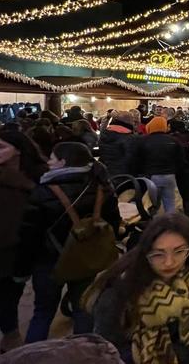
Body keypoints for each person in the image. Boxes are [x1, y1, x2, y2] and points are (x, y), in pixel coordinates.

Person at [84, 213, 189, 364]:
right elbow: (109, 348)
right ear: (146, 252)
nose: (169, 262)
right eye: (158, 254)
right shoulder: (120, 288)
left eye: (179, 251)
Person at [22, 142, 121, 343]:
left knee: (43, 312)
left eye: (52, 158)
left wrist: (22, 267)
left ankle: (32, 354)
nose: (48, 162)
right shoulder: (101, 186)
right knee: (82, 309)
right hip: (86, 257)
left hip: (49, 261)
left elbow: (29, 234)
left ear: (63, 162)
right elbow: (113, 222)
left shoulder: (44, 191)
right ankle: (82, 351)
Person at [0, 131, 47, 358]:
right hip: (0, 247)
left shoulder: (39, 175)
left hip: (28, 246)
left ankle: (10, 335)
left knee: (11, 294)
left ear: (18, 149)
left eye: (0, 147)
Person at [136, 116, 184, 213]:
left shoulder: (143, 140)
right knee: (170, 202)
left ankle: (153, 225)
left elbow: (138, 159)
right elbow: (181, 159)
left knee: (151, 205)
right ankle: (171, 224)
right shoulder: (174, 140)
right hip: (170, 175)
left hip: (151, 176)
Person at [98, 111, 137, 178]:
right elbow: (132, 159)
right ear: (127, 121)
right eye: (132, 120)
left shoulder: (105, 134)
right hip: (124, 176)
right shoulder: (128, 138)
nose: (134, 122)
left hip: (106, 174)